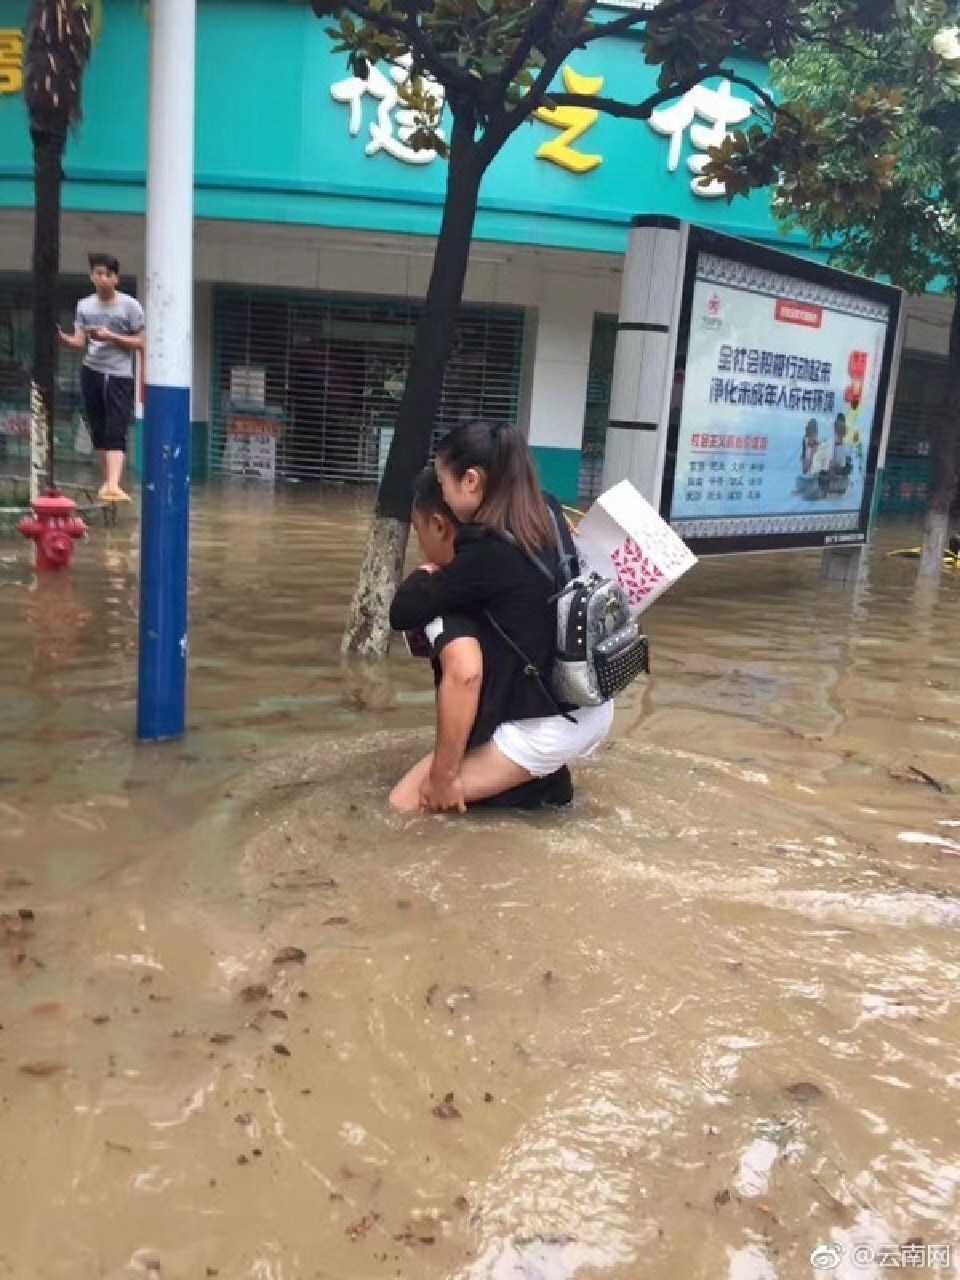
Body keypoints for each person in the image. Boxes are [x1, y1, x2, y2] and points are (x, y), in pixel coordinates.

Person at [389, 419, 614, 813]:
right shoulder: (546, 509)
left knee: (407, 802)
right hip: (588, 697)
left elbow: (407, 615)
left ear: (471, 481)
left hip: (548, 725)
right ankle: (543, 789)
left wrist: (443, 779)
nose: (441, 490)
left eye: (443, 483)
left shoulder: (487, 551)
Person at [57, 252, 145, 503]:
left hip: (118, 374)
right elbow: (79, 341)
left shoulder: (130, 306)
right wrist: (64, 340)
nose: (102, 278)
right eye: (98, 273)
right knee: (98, 428)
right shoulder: (84, 305)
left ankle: (114, 483)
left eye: (108, 274)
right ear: (91, 276)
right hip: (91, 370)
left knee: (116, 427)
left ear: (116, 278)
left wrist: (112, 337)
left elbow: (141, 342)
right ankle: (108, 483)